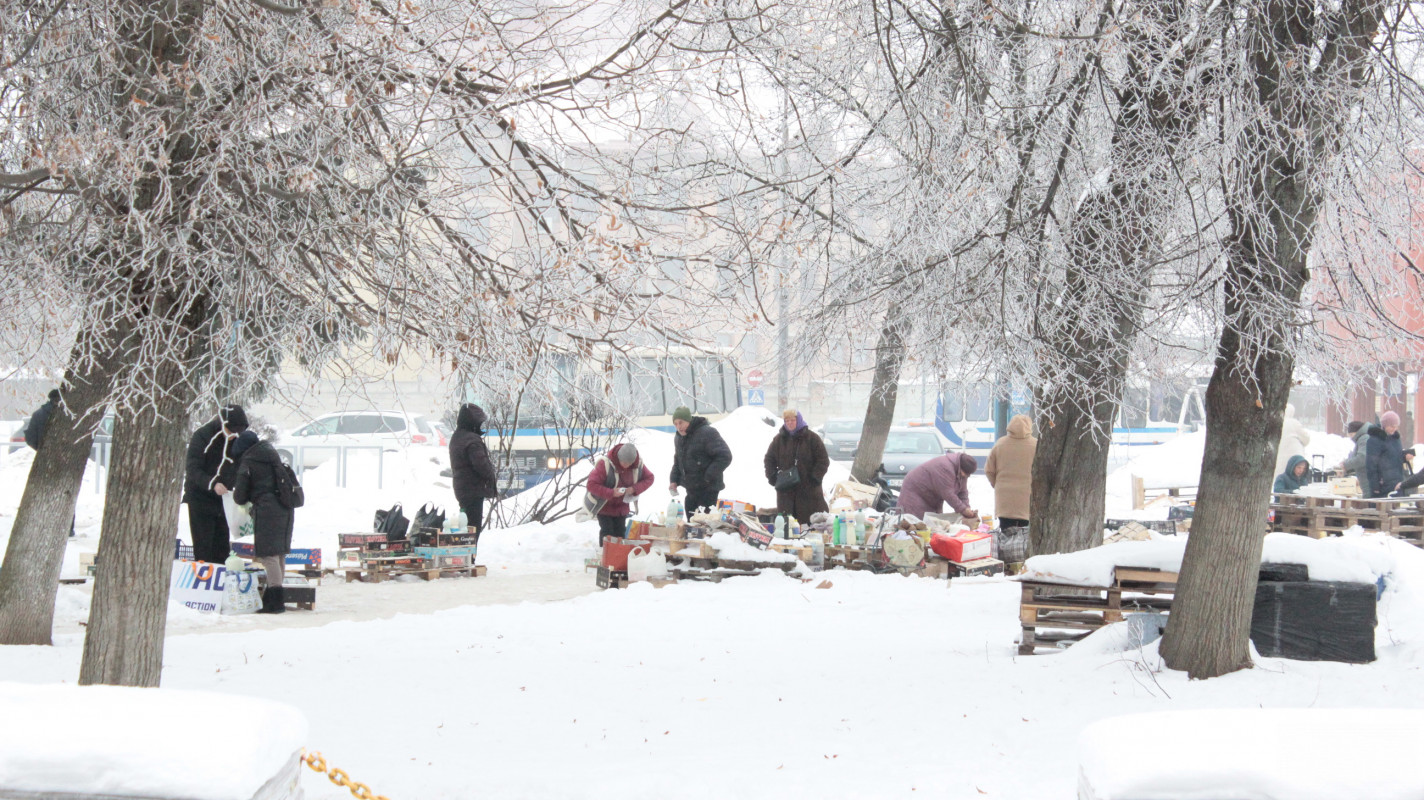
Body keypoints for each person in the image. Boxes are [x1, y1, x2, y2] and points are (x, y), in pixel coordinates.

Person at [231, 430, 293, 614]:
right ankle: (275, 598)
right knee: (279, 554)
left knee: (269, 556)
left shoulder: (249, 462)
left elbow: (239, 496)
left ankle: (275, 601)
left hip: (267, 511)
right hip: (285, 508)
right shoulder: (272, 455)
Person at [183, 405, 248, 563]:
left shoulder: (238, 440)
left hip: (224, 501)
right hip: (200, 498)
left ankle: (220, 579)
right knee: (204, 546)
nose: (234, 435)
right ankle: (205, 579)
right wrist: (212, 483)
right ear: (222, 425)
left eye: (237, 432)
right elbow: (192, 469)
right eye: (231, 431)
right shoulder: (203, 436)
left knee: (222, 547)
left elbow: (241, 465)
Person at [762, 409, 830, 522]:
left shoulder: (812, 438)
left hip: (808, 489)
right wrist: (772, 476)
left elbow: (823, 460)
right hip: (785, 491)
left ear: (799, 420)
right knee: (788, 525)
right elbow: (769, 459)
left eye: (792, 420)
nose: (789, 423)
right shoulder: (779, 440)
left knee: (809, 524)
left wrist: (815, 478)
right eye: (787, 420)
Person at [669, 405, 733, 514]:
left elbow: (725, 455)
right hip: (691, 489)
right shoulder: (679, 438)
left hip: (708, 490)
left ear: (688, 420)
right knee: (691, 522)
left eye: (681, 422)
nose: (679, 427)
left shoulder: (707, 433)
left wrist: (708, 476)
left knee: (704, 524)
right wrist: (674, 480)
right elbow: (678, 460)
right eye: (675, 424)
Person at [586, 442, 654, 543]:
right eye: (623, 463)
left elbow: (650, 478)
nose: (625, 466)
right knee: (607, 534)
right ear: (618, 458)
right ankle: (605, 556)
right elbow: (591, 484)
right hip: (604, 506)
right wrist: (611, 492)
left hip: (622, 508)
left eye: (629, 464)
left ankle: (619, 557)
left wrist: (634, 488)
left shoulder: (638, 465)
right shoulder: (605, 464)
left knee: (620, 535)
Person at [449, 402, 497, 540]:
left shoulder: (457, 437)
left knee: (466, 527)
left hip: (462, 488)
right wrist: (490, 475)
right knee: (472, 529)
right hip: (473, 490)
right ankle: (469, 557)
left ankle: (467, 555)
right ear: (473, 422)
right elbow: (481, 465)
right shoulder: (472, 440)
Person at [985, 414, 1035, 529]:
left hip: (1004, 498)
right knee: (1025, 532)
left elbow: (988, 470)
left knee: (1005, 530)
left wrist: (997, 484)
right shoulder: (1036, 445)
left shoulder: (1000, 444)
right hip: (1027, 497)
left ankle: (1004, 547)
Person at [900, 452, 978, 523]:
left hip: (931, 497)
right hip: (915, 493)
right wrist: (963, 510)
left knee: (931, 525)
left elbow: (962, 492)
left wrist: (967, 508)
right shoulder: (945, 467)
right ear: (961, 467)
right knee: (916, 525)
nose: (965, 476)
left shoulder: (961, 471)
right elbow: (948, 494)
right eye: (965, 473)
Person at [1365, 410, 1405, 499]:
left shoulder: (1395, 438)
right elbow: (1371, 464)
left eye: (1396, 426)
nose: (1394, 429)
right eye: (1392, 426)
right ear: (1384, 425)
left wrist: (1405, 456)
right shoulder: (1375, 440)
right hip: (1382, 484)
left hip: (1396, 482)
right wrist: (1375, 485)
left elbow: (1394, 457)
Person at [1273, 403, 1310, 478]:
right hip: (1294, 459)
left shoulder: (1275, 423)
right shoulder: (1293, 423)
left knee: (1279, 480)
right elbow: (1306, 439)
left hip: (1278, 458)